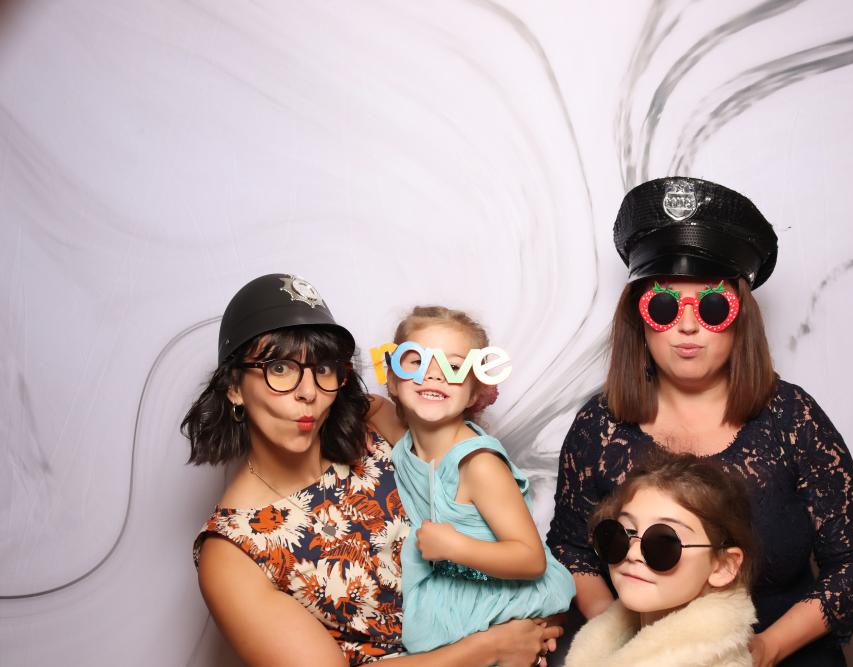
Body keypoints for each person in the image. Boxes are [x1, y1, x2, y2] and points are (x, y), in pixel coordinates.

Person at [547, 178, 853, 666]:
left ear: (740, 316)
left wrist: (765, 649)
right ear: (639, 318)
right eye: (664, 306)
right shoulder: (599, 427)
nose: (687, 326)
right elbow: (571, 549)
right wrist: (623, 643)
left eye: (711, 306)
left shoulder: (793, 418)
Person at [185, 274, 560, 667]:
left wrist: (535, 621)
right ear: (234, 386)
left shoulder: (376, 426)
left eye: (323, 368)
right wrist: (491, 648)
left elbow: (500, 522)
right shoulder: (231, 553)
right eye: (279, 368)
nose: (308, 391)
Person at [385, 306, 575, 655]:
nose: (434, 375)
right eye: (417, 361)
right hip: (448, 594)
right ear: (393, 380)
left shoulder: (478, 465)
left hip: (501, 595)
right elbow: (364, 406)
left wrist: (455, 547)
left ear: (475, 392)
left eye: (455, 367)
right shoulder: (403, 444)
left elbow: (531, 559)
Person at [564, 450, 757, 667]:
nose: (632, 553)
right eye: (623, 533)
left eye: (663, 542)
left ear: (723, 566)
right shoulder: (601, 645)